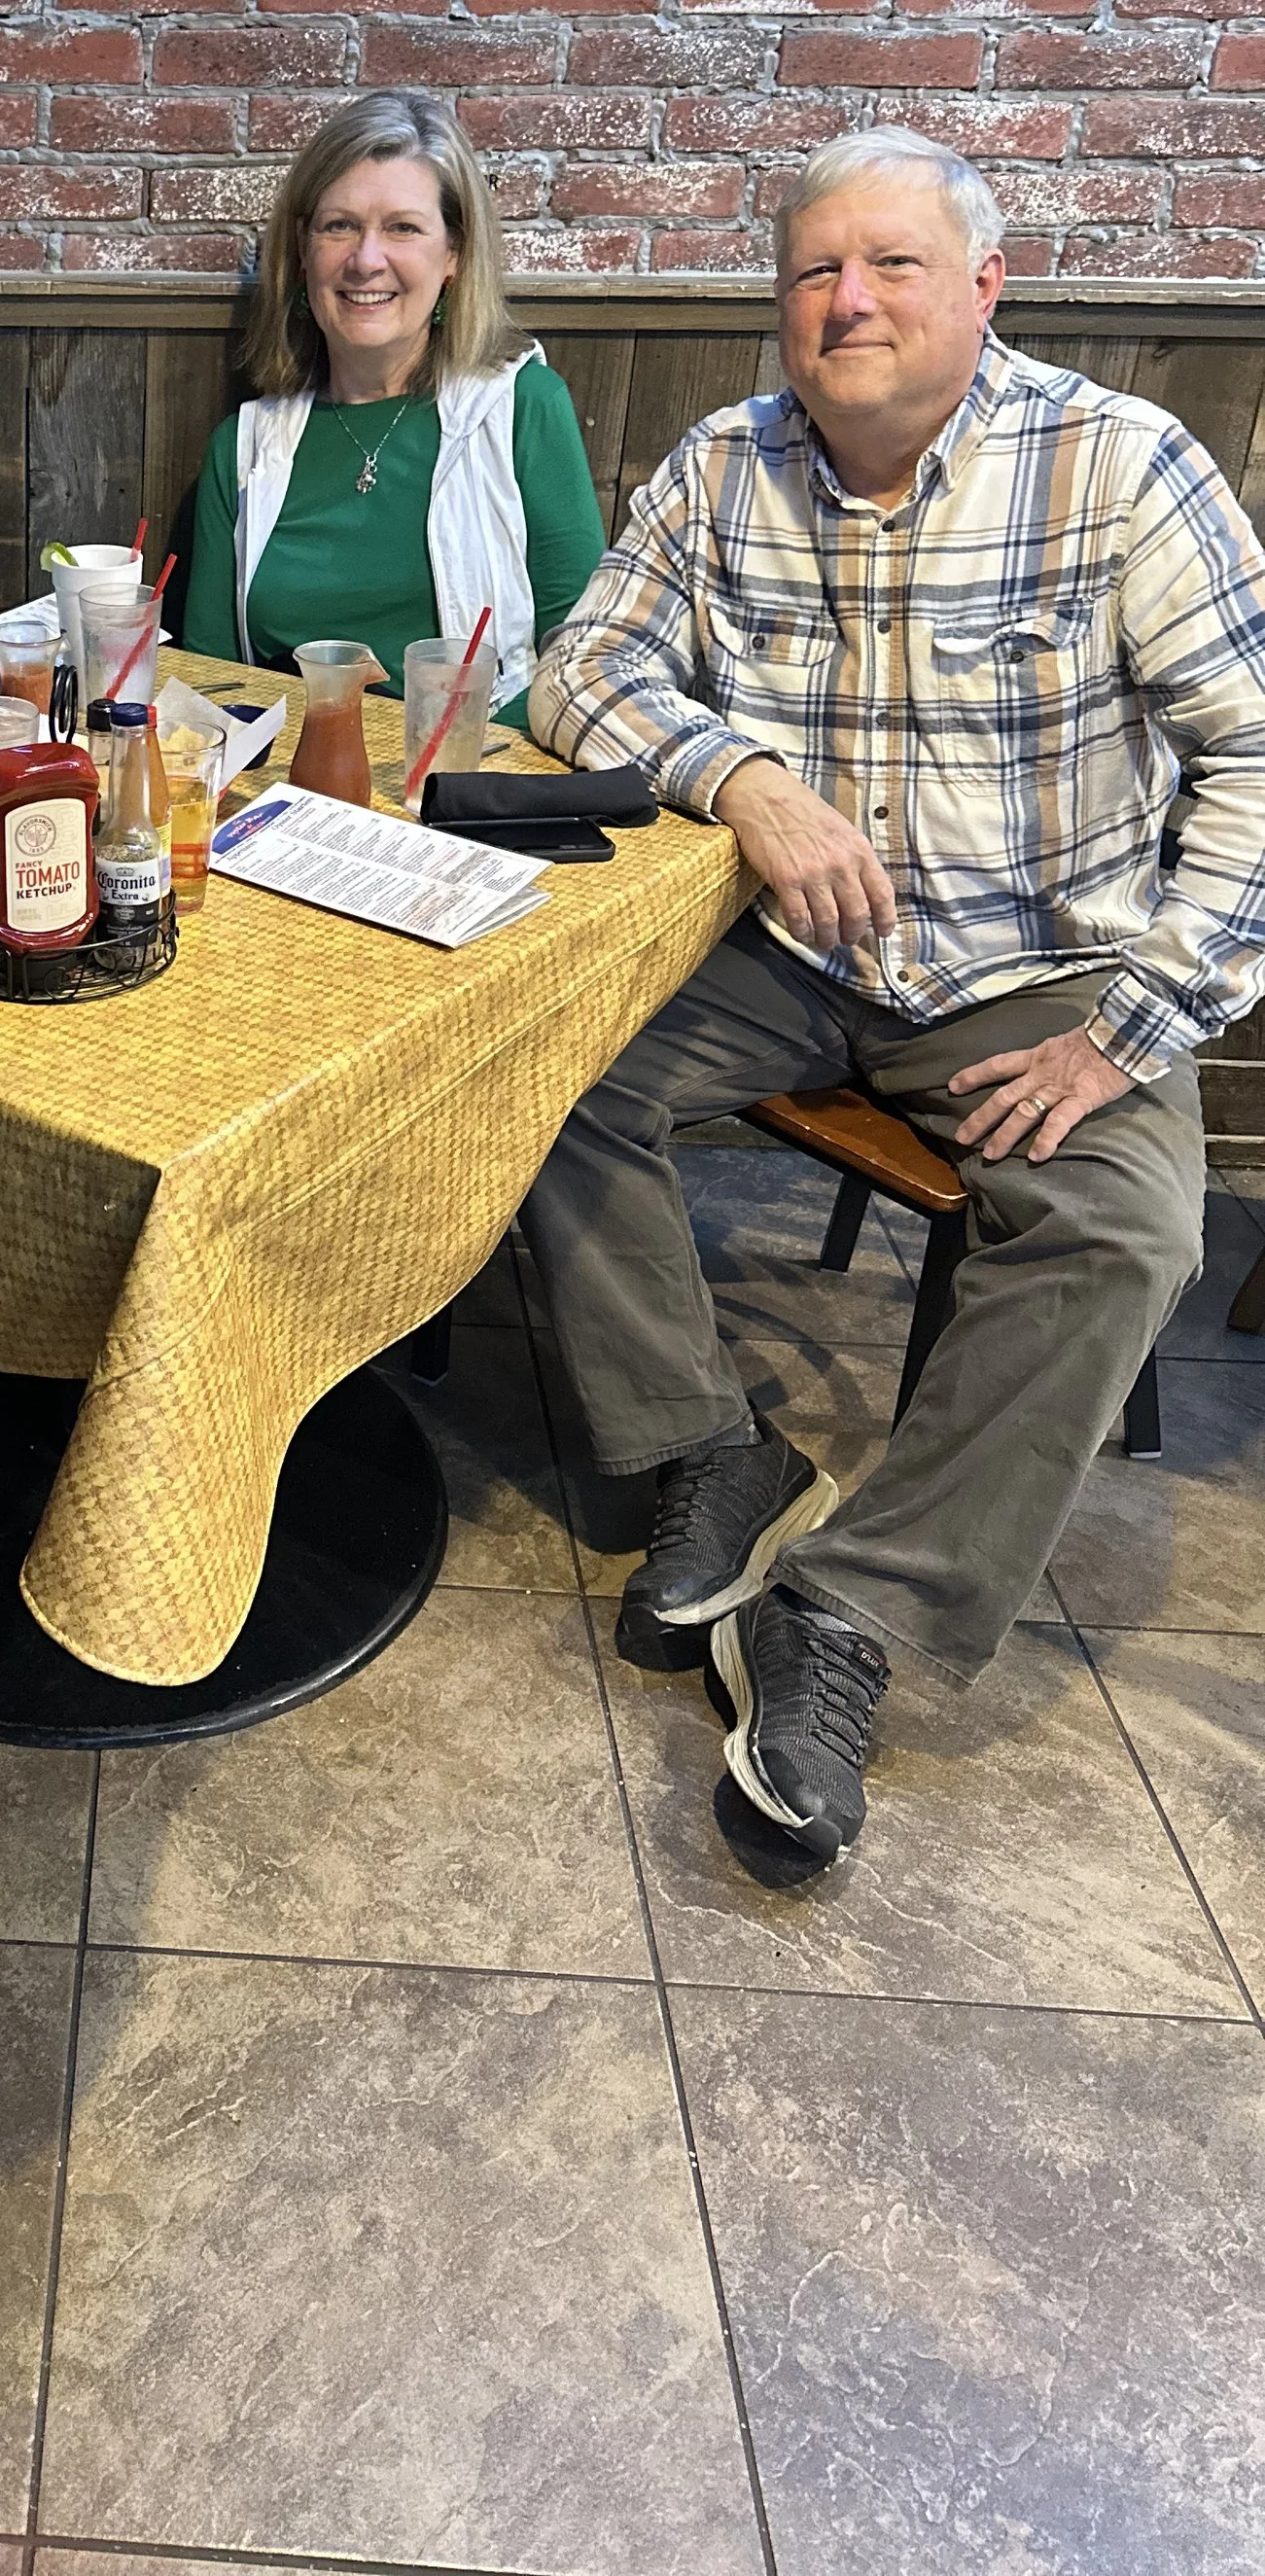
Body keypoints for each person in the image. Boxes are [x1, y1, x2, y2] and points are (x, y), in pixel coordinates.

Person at [522, 126, 1265, 1861]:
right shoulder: (724, 466)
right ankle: (712, 1444)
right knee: (535, 1065)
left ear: (984, 287)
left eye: (894, 264)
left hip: (1042, 972)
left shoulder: (1118, 464)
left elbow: (1259, 759)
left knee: (1123, 1233)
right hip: (786, 958)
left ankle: (845, 1610)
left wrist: (1127, 1031)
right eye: (812, 271)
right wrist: (743, 780)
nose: (846, 299)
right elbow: (584, 667)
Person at [179, 89, 606, 727]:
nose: (366, 259)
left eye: (403, 227)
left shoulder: (524, 408)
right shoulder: (242, 447)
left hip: (472, 791)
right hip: (286, 792)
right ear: (303, 251)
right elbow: (209, 678)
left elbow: (582, 661)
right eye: (339, 225)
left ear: (454, 254)